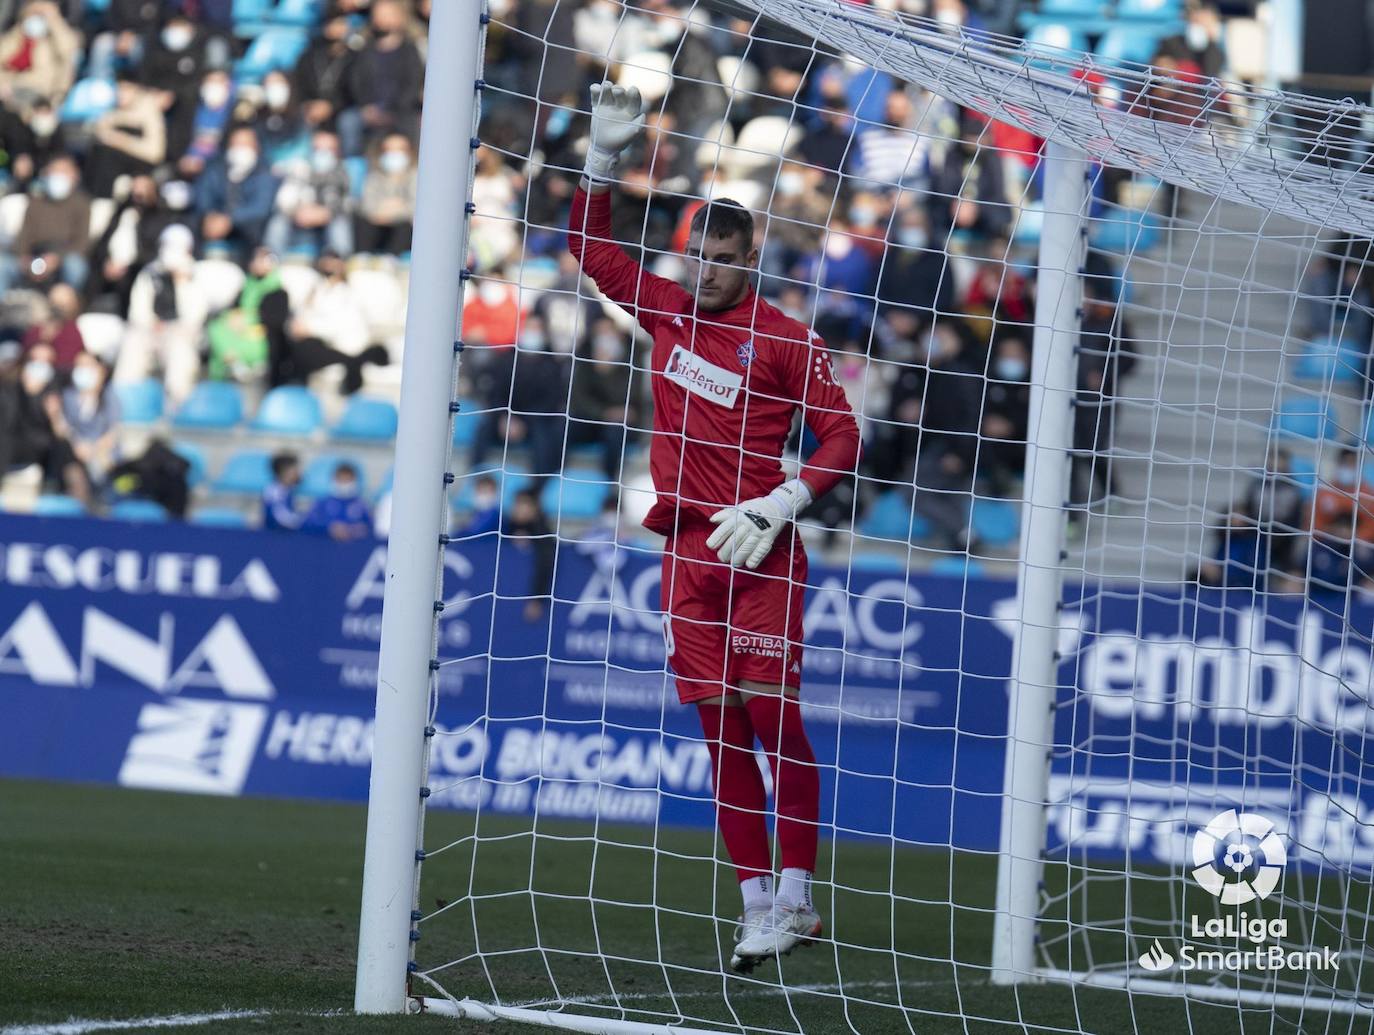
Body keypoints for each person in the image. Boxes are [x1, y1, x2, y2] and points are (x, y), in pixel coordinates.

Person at [567, 83, 862, 973]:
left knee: (778, 720)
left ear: (753, 255)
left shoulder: (782, 339)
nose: (706, 271)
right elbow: (589, 249)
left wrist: (783, 502)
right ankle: (757, 903)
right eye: (698, 255)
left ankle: (801, 893)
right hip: (689, 552)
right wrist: (601, 162)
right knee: (721, 732)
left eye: (723, 258)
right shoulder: (667, 309)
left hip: (762, 547)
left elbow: (845, 432)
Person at [117, 224, 208, 405]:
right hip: (149, 330)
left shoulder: (196, 274)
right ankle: (123, 402)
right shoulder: (150, 273)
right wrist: (152, 324)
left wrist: (181, 282)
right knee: (132, 344)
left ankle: (178, 405)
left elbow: (196, 316)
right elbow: (138, 310)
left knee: (180, 353)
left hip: (181, 333)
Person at [1, 154, 91, 294]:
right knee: (3, 264)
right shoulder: (36, 203)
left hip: (63, 258)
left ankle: (67, 306)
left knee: (75, 265)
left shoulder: (82, 204)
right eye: (54, 171)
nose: (58, 176)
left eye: (63, 171)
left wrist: (56, 260)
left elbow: (81, 243)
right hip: (34, 256)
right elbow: (23, 238)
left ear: (75, 175)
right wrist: (25, 260)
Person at [195, 126, 282, 261]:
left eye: (245, 144)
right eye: (236, 144)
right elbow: (203, 195)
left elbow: (260, 207)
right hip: (214, 223)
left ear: (256, 147)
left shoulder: (265, 172)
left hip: (248, 229)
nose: (240, 149)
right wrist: (210, 216)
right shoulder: (215, 168)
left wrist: (229, 219)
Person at [265, 129, 354, 257]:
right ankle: (270, 259)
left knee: (340, 222)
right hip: (298, 219)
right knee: (278, 220)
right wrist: (297, 210)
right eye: (318, 148)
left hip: (327, 220)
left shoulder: (344, 172)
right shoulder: (299, 167)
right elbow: (285, 198)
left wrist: (326, 213)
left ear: (337, 151)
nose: (323, 153)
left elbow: (347, 202)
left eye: (329, 149)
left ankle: (337, 262)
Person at [84, 78, 168, 197]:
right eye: (119, 89)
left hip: (139, 168)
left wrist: (120, 140)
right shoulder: (111, 110)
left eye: (126, 89)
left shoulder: (150, 113)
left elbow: (155, 152)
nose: (121, 94)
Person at [53, 351, 121, 484]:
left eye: (88, 365)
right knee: (73, 471)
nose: (83, 369)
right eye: (79, 365)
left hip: (103, 452)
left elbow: (113, 431)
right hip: (76, 450)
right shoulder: (68, 395)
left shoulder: (109, 395)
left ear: (101, 370)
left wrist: (95, 449)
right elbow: (64, 429)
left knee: (103, 465)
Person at [355, 133, 417, 255]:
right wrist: (391, 208)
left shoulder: (415, 176)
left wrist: (392, 212)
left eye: (400, 150)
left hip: (402, 227)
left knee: (404, 226)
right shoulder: (374, 176)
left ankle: (394, 261)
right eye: (389, 150)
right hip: (377, 224)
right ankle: (363, 259)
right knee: (362, 222)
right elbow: (367, 206)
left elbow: (414, 207)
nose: (394, 155)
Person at [303, 461, 372, 541]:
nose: (344, 484)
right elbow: (307, 523)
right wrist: (329, 528)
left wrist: (354, 529)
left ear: (354, 481)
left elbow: (371, 526)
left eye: (348, 480)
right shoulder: (322, 503)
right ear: (334, 480)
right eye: (341, 480)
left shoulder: (361, 505)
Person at [262, 451, 303, 531]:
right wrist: (302, 520)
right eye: (294, 470)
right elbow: (280, 517)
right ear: (284, 472)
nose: (298, 473)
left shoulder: (288, 490)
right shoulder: (274, 491)